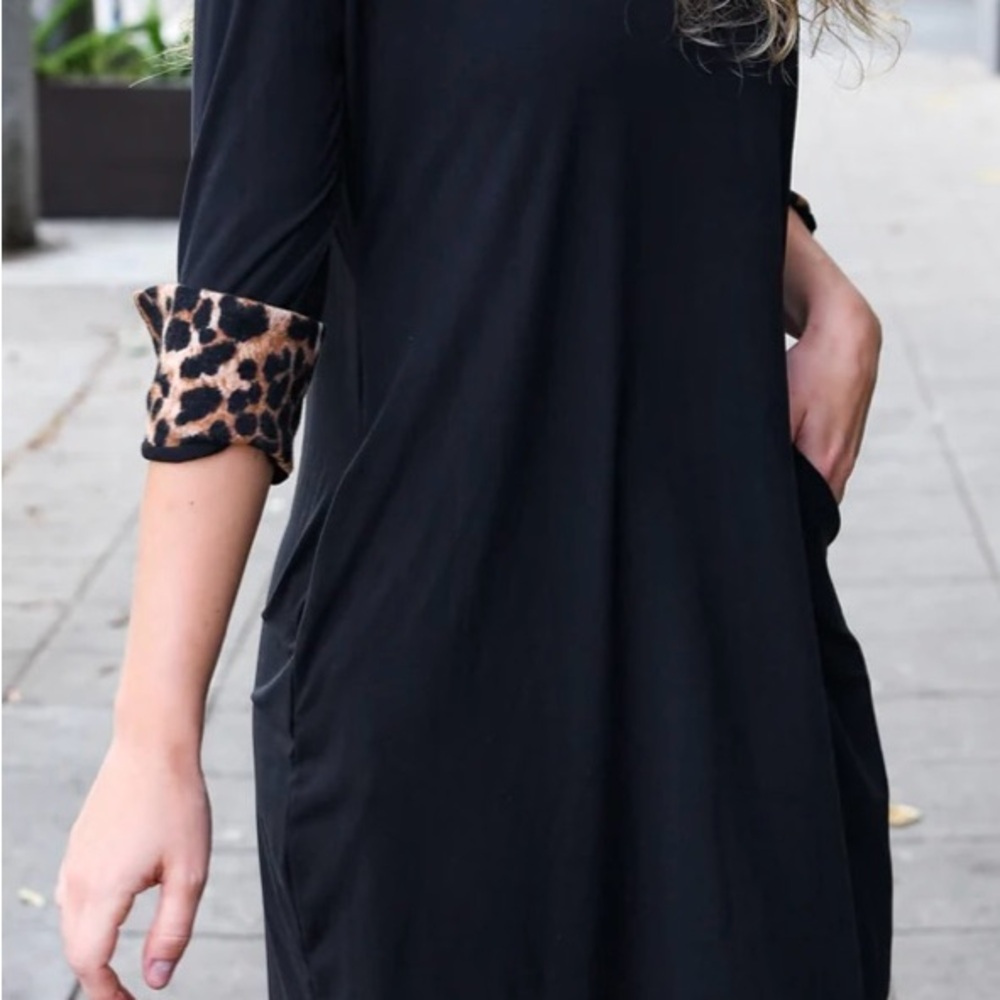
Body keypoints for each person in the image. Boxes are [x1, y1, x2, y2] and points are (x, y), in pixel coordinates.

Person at [57, 1, 896, 998]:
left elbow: (593, 108)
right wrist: (153, 737)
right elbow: (238, 320)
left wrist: (806, 270)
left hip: (736, 660)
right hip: (449, 702)